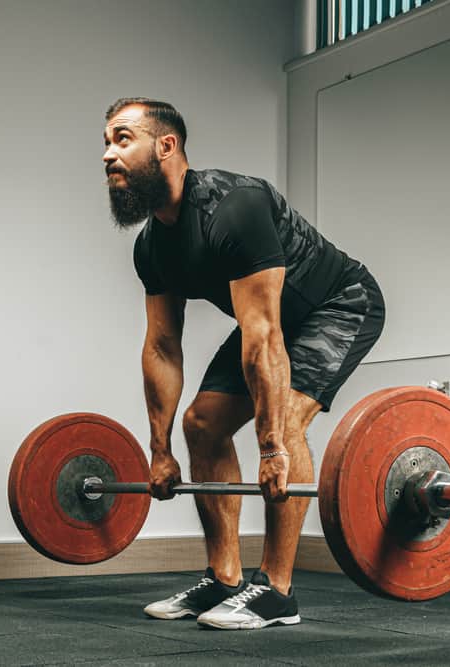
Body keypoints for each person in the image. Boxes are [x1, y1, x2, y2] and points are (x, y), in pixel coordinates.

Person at [102, 97, 385, 630]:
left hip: (337, 305)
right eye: (105, 142)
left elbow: (263, 334)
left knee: (287, 421)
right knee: (201, 425)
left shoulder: (236, 206)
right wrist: (159, 451)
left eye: (122, 139)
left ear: (167, 146)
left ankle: (277, 591)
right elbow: (162, 346)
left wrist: (273, 445)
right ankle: (224, 578)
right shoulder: (152, 247)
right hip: (272, 322)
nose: (107, 155)